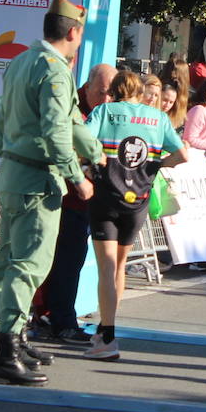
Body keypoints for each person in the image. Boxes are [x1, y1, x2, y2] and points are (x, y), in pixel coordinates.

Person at [0, 0, 103, 387]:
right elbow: (57, 131)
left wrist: (92, 152)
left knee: (6, 262)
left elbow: (6, 121)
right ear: (73, 32)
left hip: (12, 172)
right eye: (80, 36)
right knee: (29, 265)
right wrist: (77, 176)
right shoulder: (55, 71)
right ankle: (7, 352)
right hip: (37, 179)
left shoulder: (22, 61)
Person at [82, 71, 187, 359]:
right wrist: (155, 166)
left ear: (114, 91)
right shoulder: (157, 118)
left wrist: (89, 164)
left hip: (106, 195)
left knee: (106, 266)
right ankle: (108, 331)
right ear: (140, 93)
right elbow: (183, 155)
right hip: (138, 199)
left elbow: (81, 140)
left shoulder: (104, 111)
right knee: (120, 265)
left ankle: (107, 335)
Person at [32, 63, 114, 348]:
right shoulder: (73, 109)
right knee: (61, 259)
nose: (106, 99)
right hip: (62, 195)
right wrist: (87, 166)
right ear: (87, 86)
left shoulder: (107, 112)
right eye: (101, 92)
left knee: (71, 260)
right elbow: (65, 147)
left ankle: (55, 316)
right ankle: (59, 320)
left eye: (111, 94)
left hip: (86, 200)